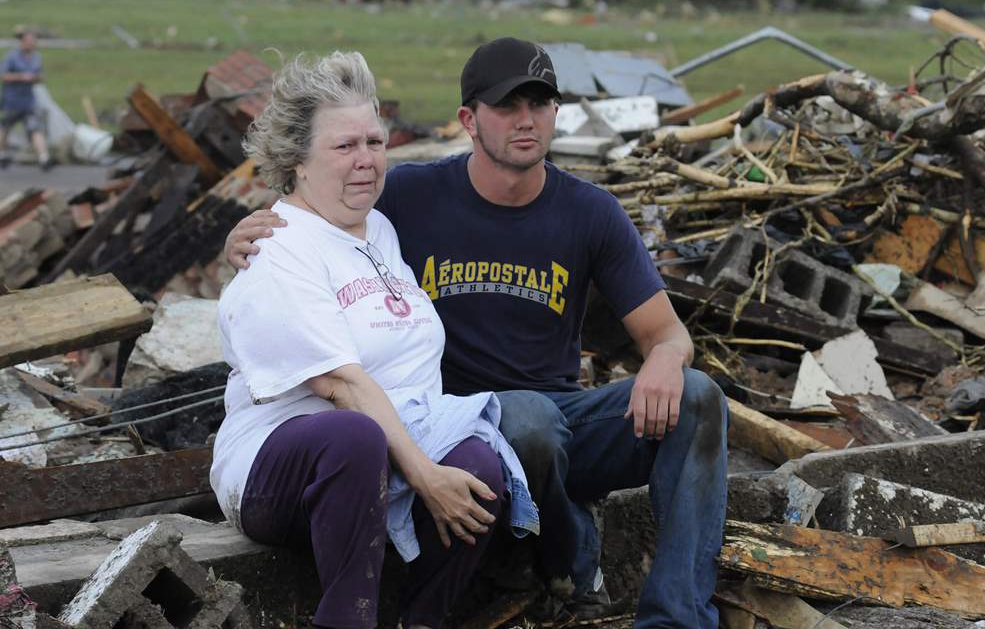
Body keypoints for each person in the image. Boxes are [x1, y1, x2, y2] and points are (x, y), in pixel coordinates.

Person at [226, 38, 728, 629]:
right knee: (515, 425)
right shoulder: (407, 199)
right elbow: (313, 215)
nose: (526, 120)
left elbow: (665, 333)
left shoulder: (589, 212)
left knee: (698, 396)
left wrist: (668, 358)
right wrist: (246, 239)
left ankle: (677, 617)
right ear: (468, 120)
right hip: (465, 419)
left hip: (550, 420)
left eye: (539, 105)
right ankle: (568, 558)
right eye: (507, 106)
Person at [210, 50, 538, 629]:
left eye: (375, 142)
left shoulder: (380, 229)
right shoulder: (279, 250)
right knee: (354, 436)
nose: (365, 161)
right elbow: (340, 384)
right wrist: (423, 473)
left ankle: (424, 619)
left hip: (387, 446)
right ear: (296, 161)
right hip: (281, 468)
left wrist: (436, 468)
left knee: (481, 468)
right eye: (344, 147)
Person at [0, 31, 53, 170]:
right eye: (28, 41)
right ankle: (2, 153)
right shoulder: (11, 57)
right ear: (22, 42)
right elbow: (2, 75)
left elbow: (40, 74)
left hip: (29, 100)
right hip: (12, 99)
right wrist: (21, 76)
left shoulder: (37, 57)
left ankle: (44, 158)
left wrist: (37, 78)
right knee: (6, 127)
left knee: (35, 128)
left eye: (33, 42)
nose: (31, 44)